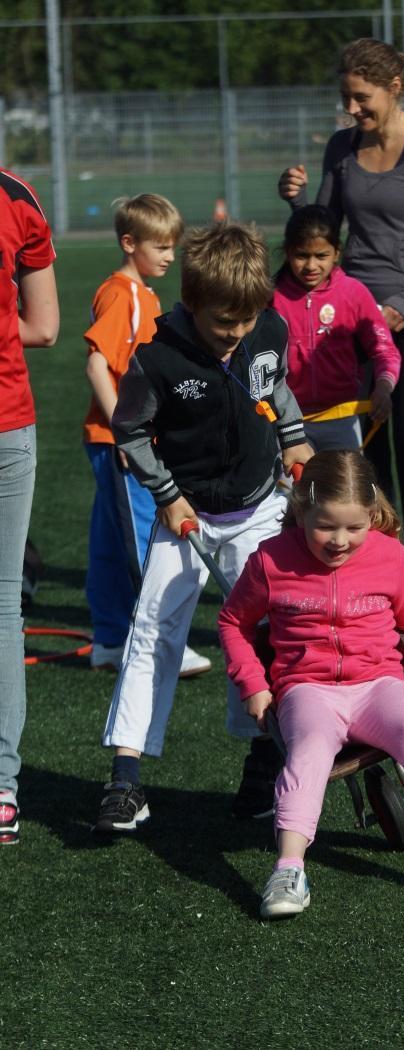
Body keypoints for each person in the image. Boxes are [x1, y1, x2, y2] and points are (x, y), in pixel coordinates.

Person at [219, 450, 404, 919]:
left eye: (354, 528)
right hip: (308, 688)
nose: (340, 541)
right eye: (326, 527)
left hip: (379, 683)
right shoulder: (271, 561)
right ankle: (289, 868)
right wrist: (253, 683)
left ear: (373, 514)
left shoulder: (390, 556)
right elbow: (234, 623)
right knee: (308, 755)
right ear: (301, 510)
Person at [93, 221, 315, 834]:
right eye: (223, 325)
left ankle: (261, 767)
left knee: (265, 631)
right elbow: (131, 431)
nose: (235, 336)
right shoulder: (157, 354)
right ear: (191, 304)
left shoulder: (267, 328)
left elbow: (277, 389)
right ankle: (125, 780)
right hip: (186, 513)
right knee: (153, 632)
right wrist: (166, 495)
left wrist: (294, 443)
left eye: (244, 323)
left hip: (258, 509)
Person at [278, 37, 404, 633]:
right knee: (360, 463)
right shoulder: (341, 147)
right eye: (345, 99)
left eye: (360, 98)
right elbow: (324, 235)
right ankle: (371, 579)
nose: (352, 110)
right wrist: (297, 202)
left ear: (393, 88)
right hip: (351, 323)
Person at [82, 193, 209, 677]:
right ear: (129, 242)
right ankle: (158, 642)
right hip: (119, 444)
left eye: (172, 246)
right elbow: (97, 364)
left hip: (119, 441)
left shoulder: (146, 295)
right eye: (160, 246)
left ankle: (110, 638)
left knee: (111, 542)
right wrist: (125, 436)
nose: (169, 256)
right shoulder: (122, 295)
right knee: (144, 541)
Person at [0, 168, 60, 845]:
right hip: (7, 420)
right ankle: (3, 790)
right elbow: (43, 327)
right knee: (3, 607)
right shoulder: (18, 195)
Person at [272, 204, 400, 451]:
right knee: (291, 491)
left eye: (321, 256)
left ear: (336, 253)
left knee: (343, 489)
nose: (311, 266)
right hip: (286, 423)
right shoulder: (270, 298)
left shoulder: (354, 293)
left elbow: (385, 350)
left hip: (342, 420)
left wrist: (384, 386)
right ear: (287, 252)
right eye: (301, 255)